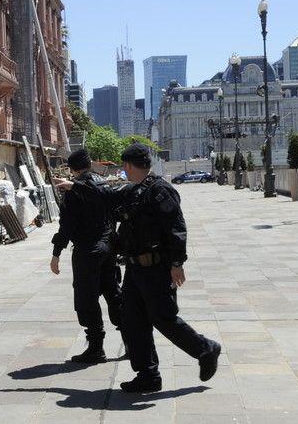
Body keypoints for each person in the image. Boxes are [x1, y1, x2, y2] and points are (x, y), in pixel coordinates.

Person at [55, 143, 221, 393]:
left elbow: (176, 228)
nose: (123, 170)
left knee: (164, 318)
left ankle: (206, 349)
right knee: (133, 322)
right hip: (134, 269)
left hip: (155, 268)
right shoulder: (135, 190)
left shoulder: (160, 191)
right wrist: (75, 185)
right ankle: (148, 375)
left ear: (130, 165)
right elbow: (106, 195)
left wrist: (177, 263)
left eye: (124, 166)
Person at [50, 148, 123, 364]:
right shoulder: (102, 184)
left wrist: (56, 253)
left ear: (72, 169)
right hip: (108, 247)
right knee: (113, 293)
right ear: (90, 164)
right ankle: (131, 340)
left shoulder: (74, 191)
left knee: (86, 298)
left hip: (87, 250)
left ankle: (96, 348)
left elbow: (67, 226)